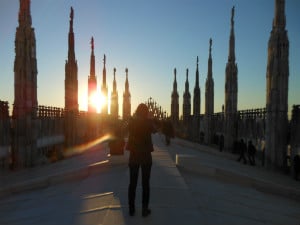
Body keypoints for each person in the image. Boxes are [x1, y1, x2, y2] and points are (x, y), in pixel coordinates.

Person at [126, 103, 156, 217]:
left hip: (134, 156)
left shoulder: (132, 121)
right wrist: (150, 119)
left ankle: (131, 209)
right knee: (145, 184)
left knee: (132, 184)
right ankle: (144, 209)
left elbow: (126, 128)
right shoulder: (148, 122)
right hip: (146, 157)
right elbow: (155, 130)